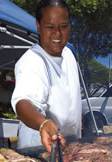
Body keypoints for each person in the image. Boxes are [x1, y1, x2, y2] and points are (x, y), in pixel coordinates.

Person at [11, 0, 82, 153]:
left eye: (63, 26)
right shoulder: (31, 61)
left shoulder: (69, 54)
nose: (57, 33)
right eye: (50, 27)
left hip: (69, 144)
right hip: (39, 149)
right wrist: (43, 124)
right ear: (38, 26)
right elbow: (23, 102)